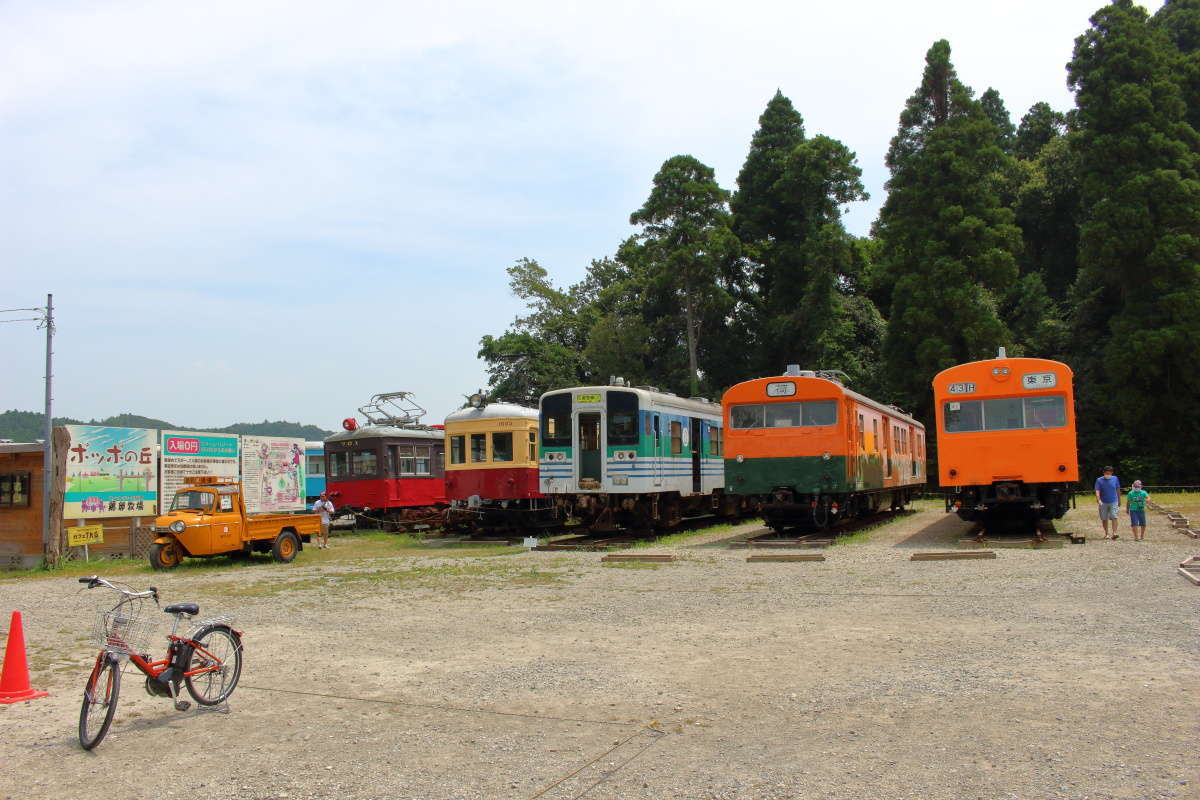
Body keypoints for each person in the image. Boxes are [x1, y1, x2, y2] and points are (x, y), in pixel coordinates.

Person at [1094, 466, 1121, 539]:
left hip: (1114, 501)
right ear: (1104, 473)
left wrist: (1119, 500)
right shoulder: (1099, 480)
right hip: (1103, 502)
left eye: (1109, 473)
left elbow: (1118, 489)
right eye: (1106, 473)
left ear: (1112, 473)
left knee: (1114, 516)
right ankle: (1106, 534)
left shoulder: (1115, 478)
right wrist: (1098, 500)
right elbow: (1097, 491)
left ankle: (1115, 533)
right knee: (1104, 518)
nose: (1108, 475)